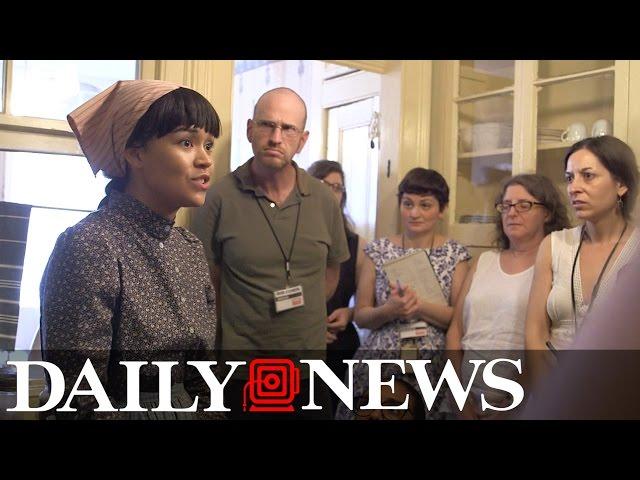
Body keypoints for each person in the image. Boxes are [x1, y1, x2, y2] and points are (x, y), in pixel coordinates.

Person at [40, 80, 222, 419]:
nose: (205, 160)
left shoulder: (190, 248)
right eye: (186, 142)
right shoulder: (90, 244)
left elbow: (202, 380)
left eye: (208, 145)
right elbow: (79, 398)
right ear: (135, 151)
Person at [196, 88, 349, 419]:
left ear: (302, 140)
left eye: (288, 129)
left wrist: (303, 311)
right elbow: (206, 280)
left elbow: (332, 269)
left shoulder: (323, 199)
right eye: (267, 125)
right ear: (250, 129)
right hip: (241, 370)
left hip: (307, 369)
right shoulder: (219, 196)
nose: (276, 137)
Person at [336, 168, 471, 420]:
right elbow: (362, 315)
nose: (414, 213)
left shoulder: (456, 254)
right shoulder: (377, 250)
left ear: (441, 210)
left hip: (431, 363)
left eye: (425, 205)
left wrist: (417, 306)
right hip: (378, 360)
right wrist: (389, 310)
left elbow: (457, 318)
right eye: (407, 204)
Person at [446, 174, 570, 419]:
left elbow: (547, 343)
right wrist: (459, 400)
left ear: (547, 213)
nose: (512, 213)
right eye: (506, 205)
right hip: (466, 398)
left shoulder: (556, 267)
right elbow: (455, 332)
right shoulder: (484, 261)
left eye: (524, 205)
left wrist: (510, 404)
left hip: (522, 403)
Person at [525, 135, 640, 387]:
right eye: (569, 178)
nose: (573, 187)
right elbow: (535, 332)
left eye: (587, 176)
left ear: (621, 184)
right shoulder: (554, 245)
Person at [307, 160, 365, 414]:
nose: (331, 192)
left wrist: (350, 313)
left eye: (338, 187)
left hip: (341, 344)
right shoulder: (292, 236)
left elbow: (365, 302)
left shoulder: (356, 243)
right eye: (323, 185)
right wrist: (311, 327)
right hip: (298, 340)